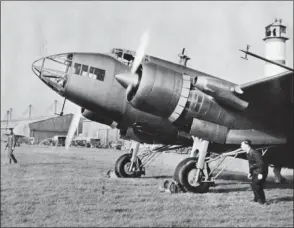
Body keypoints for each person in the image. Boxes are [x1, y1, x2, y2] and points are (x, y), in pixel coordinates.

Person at [241, 140, 268, 204]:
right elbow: (251, 164)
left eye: (242, 145)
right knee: (253, 185)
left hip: (260, 171)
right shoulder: (248, 152)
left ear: (246, 145)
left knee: (256, 185)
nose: (241, 146)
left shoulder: (254, 152)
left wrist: (260, 173)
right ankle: (256, 199)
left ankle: (262, 200)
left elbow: (261, 163)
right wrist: (250, 172)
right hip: (255, 171)